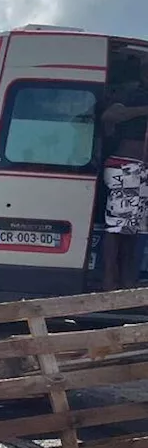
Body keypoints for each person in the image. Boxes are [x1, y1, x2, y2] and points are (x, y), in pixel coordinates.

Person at [102, 69, 148, 290]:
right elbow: (110, 116)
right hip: (125, 165)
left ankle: (127, 282)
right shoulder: (133, 93)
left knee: (136, 229)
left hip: (143, 169)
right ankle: (110, 281)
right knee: (119, 227)